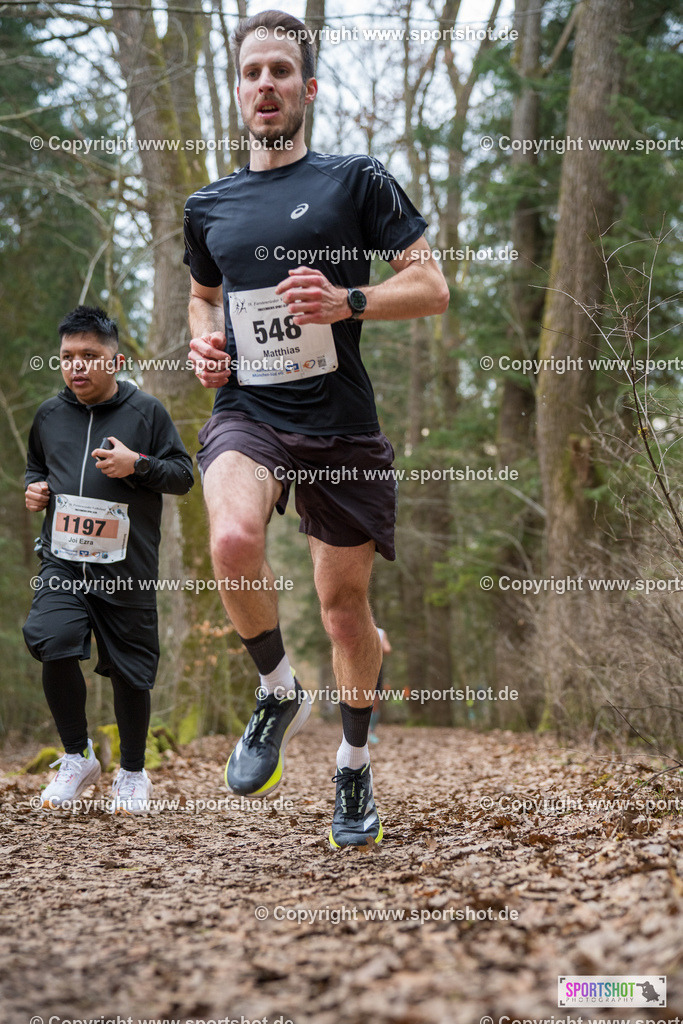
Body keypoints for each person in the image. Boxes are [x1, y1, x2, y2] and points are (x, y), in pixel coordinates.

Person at [183, 10, 449, 847]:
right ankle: (275, 691)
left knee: (345, 615)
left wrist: (348, 301)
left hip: (339, 423)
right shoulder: (208, 204)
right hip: (249, 413)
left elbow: (432, 286)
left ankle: (353, 768)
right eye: (252, 72)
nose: (266, 84)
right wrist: (205, 342)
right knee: (230, 539)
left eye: (280, 72)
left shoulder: (354, 181)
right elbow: (202, 295)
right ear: (238, 91)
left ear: (307, 90)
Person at [23, 306, 194, 814]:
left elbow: (183, 475)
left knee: (130, 672)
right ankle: (77, 757)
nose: (78, 367)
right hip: (63, 562)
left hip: (126, 567)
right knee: (52, 642)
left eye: (90, 356)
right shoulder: (49, 416)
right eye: (68, 357)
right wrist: (35, 490)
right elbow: (38, 466)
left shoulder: (147, 413)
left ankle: (134, 773)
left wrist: (136, 464)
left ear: (115, 360)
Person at [369, 626, 392, 743]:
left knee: (375, 700)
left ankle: (371, 731)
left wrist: (377, 645)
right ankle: (357, 732)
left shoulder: (381, 632)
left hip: (376, 668)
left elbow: (388, 649)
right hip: (357, 669)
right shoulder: (355, 627)